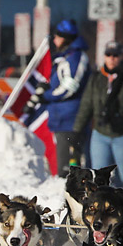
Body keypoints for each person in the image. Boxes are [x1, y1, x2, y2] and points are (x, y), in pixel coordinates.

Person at [73, 41, 123, 191]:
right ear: (104, 56)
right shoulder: (96, 78)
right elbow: (87, 104)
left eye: (115, 55)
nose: (112, 58)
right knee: (99, 177)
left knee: (122, 178)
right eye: (109, 55)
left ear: (121, 57)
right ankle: (101, 209)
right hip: (101, 133)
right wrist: (77, 129)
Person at [35, 19, 90, 176]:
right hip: (61, 117)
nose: (54, 39)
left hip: (71, 118)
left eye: (57, 36)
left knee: (68, 168)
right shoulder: (64, 57)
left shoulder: (76, 57)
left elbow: (70, 87)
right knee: (62, 166)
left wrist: (47, 95)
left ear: (65, 37)